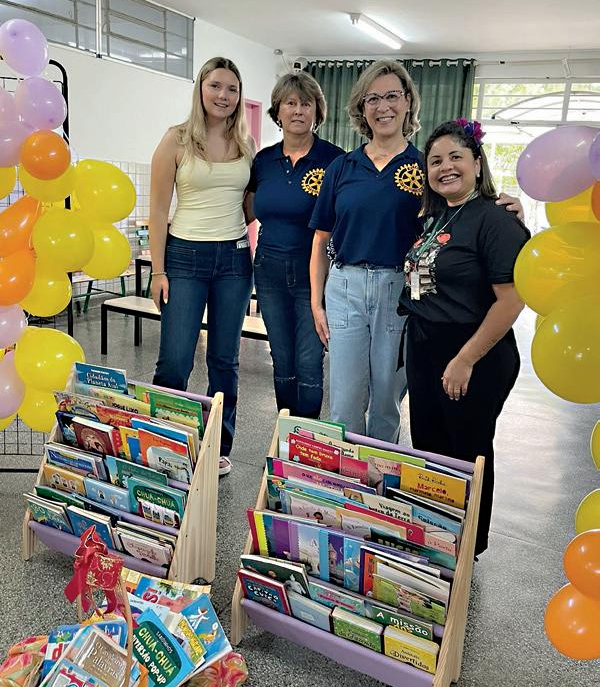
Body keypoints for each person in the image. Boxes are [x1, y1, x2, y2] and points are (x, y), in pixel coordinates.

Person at [309, 59, 523, 443]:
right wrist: (316, 302)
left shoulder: (425, 166)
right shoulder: (342, 166)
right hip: (345, 287)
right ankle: (345, 476)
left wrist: (506, 205)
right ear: (362, 108)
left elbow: (462, 206)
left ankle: (380, 474)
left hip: (401, 289)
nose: (383, 107)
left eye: (392, 96)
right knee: (343, 399)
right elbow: (321, 239)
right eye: (373, 99)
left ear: (408, 101)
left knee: (387, 398)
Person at [398, 118, 530, 556]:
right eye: (435, 161)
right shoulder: (434, 216)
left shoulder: (496, 220)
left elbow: (511, 301)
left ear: (477, 162)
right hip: (425, 344)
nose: (445, 167)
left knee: (467, 452)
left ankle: (468, 545)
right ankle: (439, 541)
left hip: (474, 351)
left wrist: (465, 359)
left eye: (455, 157)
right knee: (430, 449)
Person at [149, 56, 255, 477]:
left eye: (232, 89)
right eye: (215, 86)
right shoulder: (175, 139)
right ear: (200, 88)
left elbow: (248, 206)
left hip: (234, 260)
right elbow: (158, 211)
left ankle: (218, 445)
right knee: (175, 359)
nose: (223, 96)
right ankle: (164, 442)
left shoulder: (246, 145)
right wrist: (158, 271)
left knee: (224, 360)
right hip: (184, 259)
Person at [245, 73, 344, 417]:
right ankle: (287, 435)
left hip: (313, 273)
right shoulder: (263, 161)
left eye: (306, 103)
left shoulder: (335, 160)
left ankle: (306, 438)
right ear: (278, 111)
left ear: (317, 111)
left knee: (308, 359)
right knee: (282, 358)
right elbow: (246, 209)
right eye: (290, 103)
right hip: (268, 269)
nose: (298, 110)